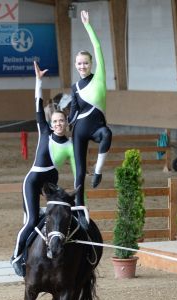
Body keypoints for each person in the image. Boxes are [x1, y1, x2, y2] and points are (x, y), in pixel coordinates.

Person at [11, 60, 76, 277]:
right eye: (55, 121)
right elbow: (38, 104)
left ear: (66, 123)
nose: (58, 124)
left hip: (50, 182)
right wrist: (38, 81)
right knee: (30, 220)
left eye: (62, 121)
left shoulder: (68, 145)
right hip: (33, 181)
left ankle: (47, 250)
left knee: (51, 218)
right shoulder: (44, 132)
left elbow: (78, 169)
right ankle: (17, 256)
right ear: (51, 123)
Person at [68, 10, 112, 209]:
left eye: (85, 63)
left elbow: (97, 46)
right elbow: (73, 112)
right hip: (79, 131)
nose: (82, 66)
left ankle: (99, 170)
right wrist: (63, 124)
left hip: (96, 128)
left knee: (107, 134)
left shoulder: (99, 77)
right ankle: (79, 204)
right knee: (78, 171)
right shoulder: (75, 87)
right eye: (79, 64)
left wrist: (87, 25)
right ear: (76, 65)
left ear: (91, 63)